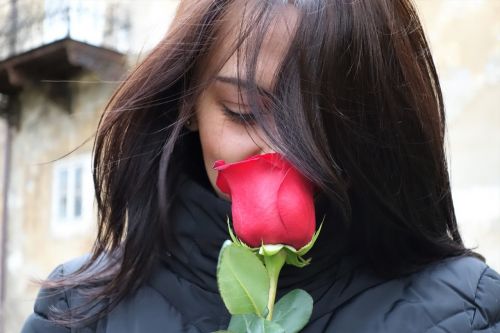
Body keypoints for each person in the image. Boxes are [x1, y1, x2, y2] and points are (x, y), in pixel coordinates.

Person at [22, 0, 500, 332]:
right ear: (188, 101)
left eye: (324, 126)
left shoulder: (466, 313)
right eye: (243, 111)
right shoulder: (78, 313)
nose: (279, 154)